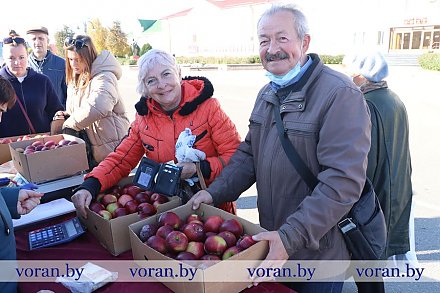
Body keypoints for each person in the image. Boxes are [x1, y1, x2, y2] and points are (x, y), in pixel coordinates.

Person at [190, 4, 371, 293]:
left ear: (305, 42)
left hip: (316, 254)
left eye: (282, 38)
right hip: (274, 243)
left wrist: (290, 236)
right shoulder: (268, 92)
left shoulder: (339, 94)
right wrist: (215, 191)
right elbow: (249, 153)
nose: (272, 48)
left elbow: (342, 182)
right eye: (264, 40)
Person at [71, 49, 241, 218]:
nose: (161, 84)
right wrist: (90, 185)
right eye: (152, 80)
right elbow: (121, 159)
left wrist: (199, 168)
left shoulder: (209, 108)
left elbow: (236, 159)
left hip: (213, 207)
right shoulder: (144, 119)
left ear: (179, 73)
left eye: (166, 74)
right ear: (145, 87)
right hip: (166, 210)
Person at [343, 51, 414, 292]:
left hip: (375, 188)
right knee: (373, 252)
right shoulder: (393, 99)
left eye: (350, 70)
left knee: (365, 249)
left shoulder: (366, 104)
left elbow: (364, 159)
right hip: (394, 185)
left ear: (361, 75)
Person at [55, 35, 130, 167]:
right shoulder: (76, 79)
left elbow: (99, 105)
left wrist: (70, 123)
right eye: (70, 59)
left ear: (89, 56)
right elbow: (79, 111)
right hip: (94, 151)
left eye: (78, 59)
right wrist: (66, 115)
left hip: (113, 150)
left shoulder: (104, 76)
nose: (73, 64)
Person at [0, 35, 63, 138]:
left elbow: (55, 111)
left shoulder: (43, 81)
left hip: (41, 145)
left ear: (27, 56)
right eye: (11, 58)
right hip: (8, 145)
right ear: (4, 59)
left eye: (21, 57)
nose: (17, 62)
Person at [26, 26, 68, 107]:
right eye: (34, 39)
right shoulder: (24, 65)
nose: (37, 42)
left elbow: (69, 93)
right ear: (28, 43)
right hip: (32, 117)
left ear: (47, 41)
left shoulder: (62, 64)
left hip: (57, 116)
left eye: (41, 38)